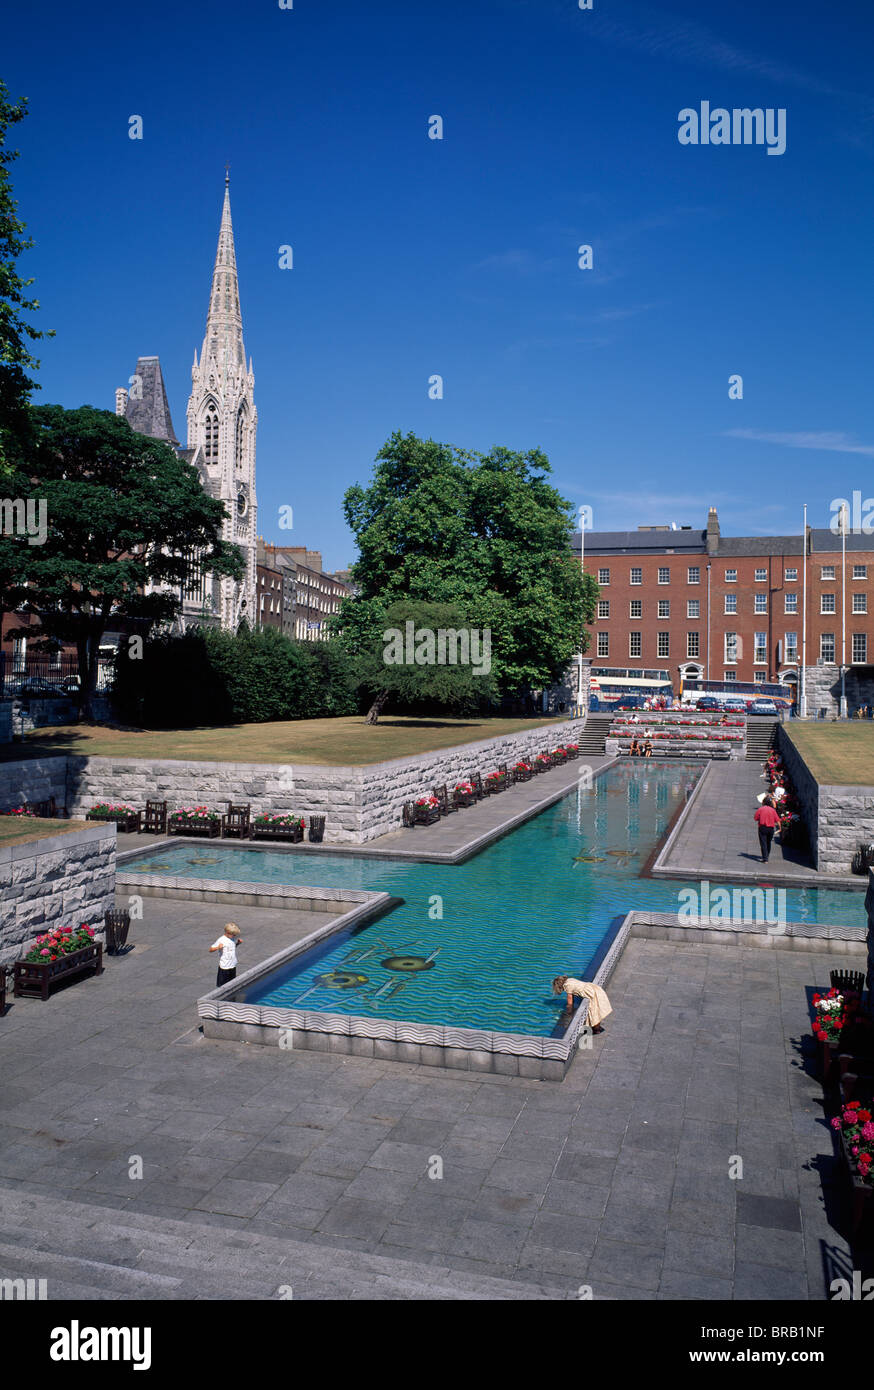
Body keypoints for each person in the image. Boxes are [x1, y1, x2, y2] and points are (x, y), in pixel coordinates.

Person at [209, 923, 242, 987]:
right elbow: (210, 949)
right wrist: (218, 947)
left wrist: (238, 943)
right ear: (227, 933)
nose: (234, 936)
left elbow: (231, 948)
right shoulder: (221, 940)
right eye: (233, 934)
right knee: (223, 986)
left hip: (232, 965)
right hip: (224, 967)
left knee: (232, 984)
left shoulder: (232, 938)